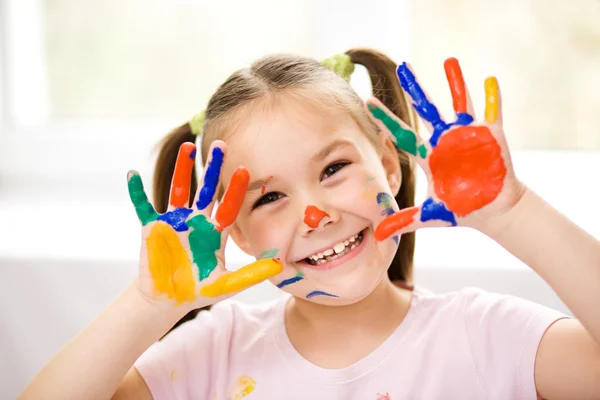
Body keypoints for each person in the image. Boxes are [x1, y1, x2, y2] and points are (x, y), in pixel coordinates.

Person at [19, 49, 600, 400]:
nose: (315, 215)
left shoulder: (485, 337)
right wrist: (148, 306)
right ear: (234, 233)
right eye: (269, 197)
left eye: (334, 167)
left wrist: (514, 214)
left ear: (389, 162)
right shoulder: (213, 353)